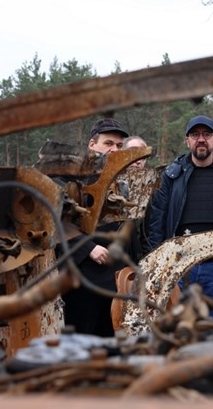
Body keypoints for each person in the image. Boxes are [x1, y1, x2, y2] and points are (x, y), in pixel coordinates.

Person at [147, 115, 213, 321]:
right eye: (195, 135)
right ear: (187, 141)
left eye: (206, 134)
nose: (201, 139)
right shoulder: (172, 176)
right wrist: (157, 268)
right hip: (179, 265)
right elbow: (157, 223)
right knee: (179, 327)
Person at [60, 118, 141, 337]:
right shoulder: (72, 181)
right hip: (83, 280)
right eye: (108, 144)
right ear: (92, 145)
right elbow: (56, 222)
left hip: (117, 280)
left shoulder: (122, 182)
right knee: (83, 342)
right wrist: (89, 248)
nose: (114, 150)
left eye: (118, 145)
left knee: (115, 339)